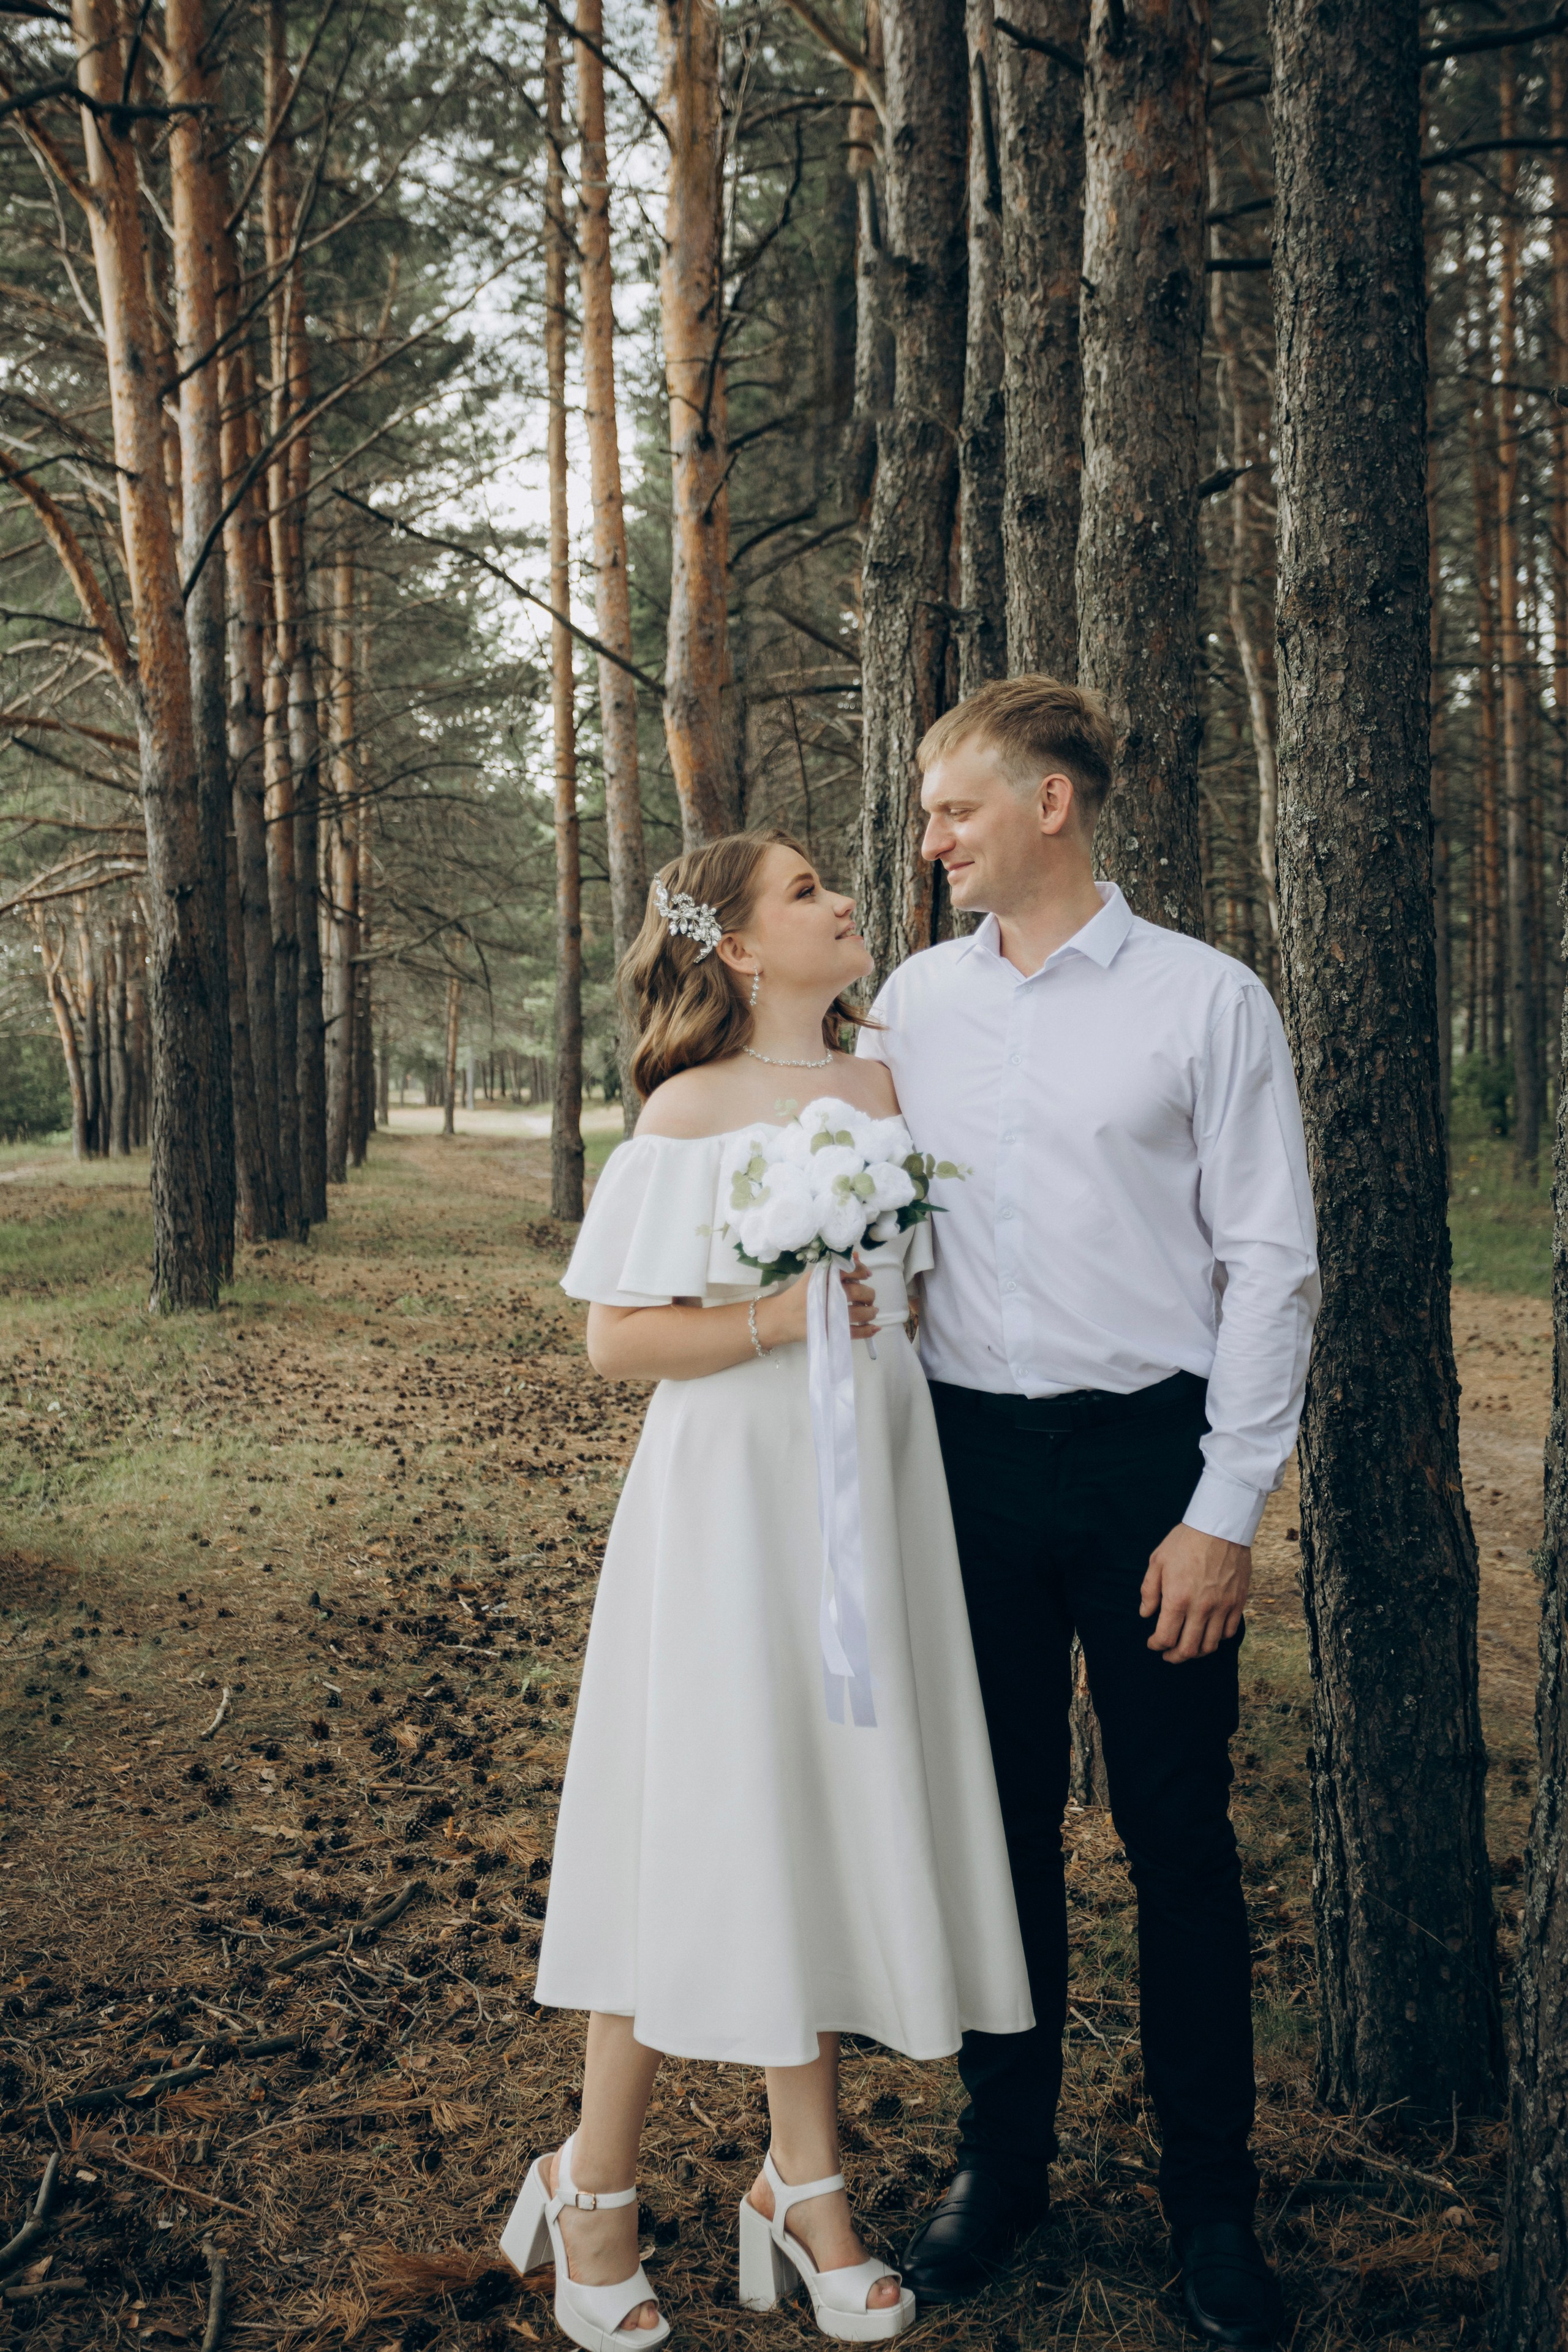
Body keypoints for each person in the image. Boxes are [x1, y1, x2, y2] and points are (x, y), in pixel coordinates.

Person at [499, 829, 1032, 2351]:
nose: (844, 897)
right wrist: (776, 1324)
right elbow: (616, 1339)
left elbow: (914, 1296)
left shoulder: (883, 1087)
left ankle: (803, 2185)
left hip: (876, 1489)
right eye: (804, 890)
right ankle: (593, 2184)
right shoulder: (688, 1108)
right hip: (730, 1497)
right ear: (734, 945)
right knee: (700, 1814)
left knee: (817, 1813)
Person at [859, 677, 1319, 2351]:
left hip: (1149, 1468)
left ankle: (1213, 2206)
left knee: (1178, 1840)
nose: (930, 841)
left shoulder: (1206, 1000)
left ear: (1049, 802)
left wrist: (1223, 1508)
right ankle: (1004, 2167)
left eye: (953, 809)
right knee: (996, 1834)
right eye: (927, 815)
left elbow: (1270, 1261)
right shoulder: (911, 1006)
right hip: (964, 1468)